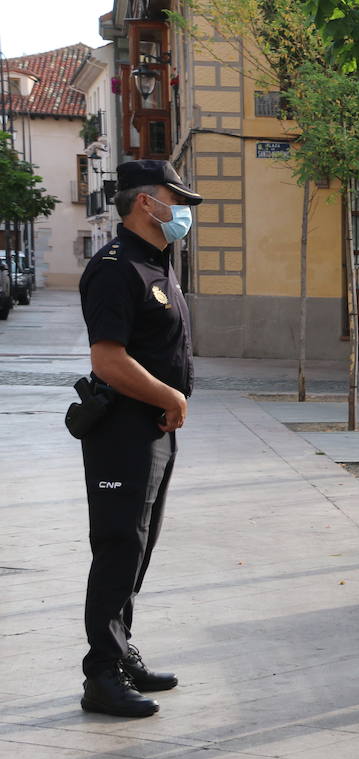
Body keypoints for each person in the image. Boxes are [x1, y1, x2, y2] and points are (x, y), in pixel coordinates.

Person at [75, 160, 202, 717]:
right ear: (146, 203)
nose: (182, 212)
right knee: (118, 545)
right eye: (176, 200)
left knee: (139, 546)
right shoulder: (114, 268)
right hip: (122, 432)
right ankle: (100, 674)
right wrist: (170, 397)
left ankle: (121, 652)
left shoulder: (157, 262)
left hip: (153, 432)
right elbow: (107, 360)